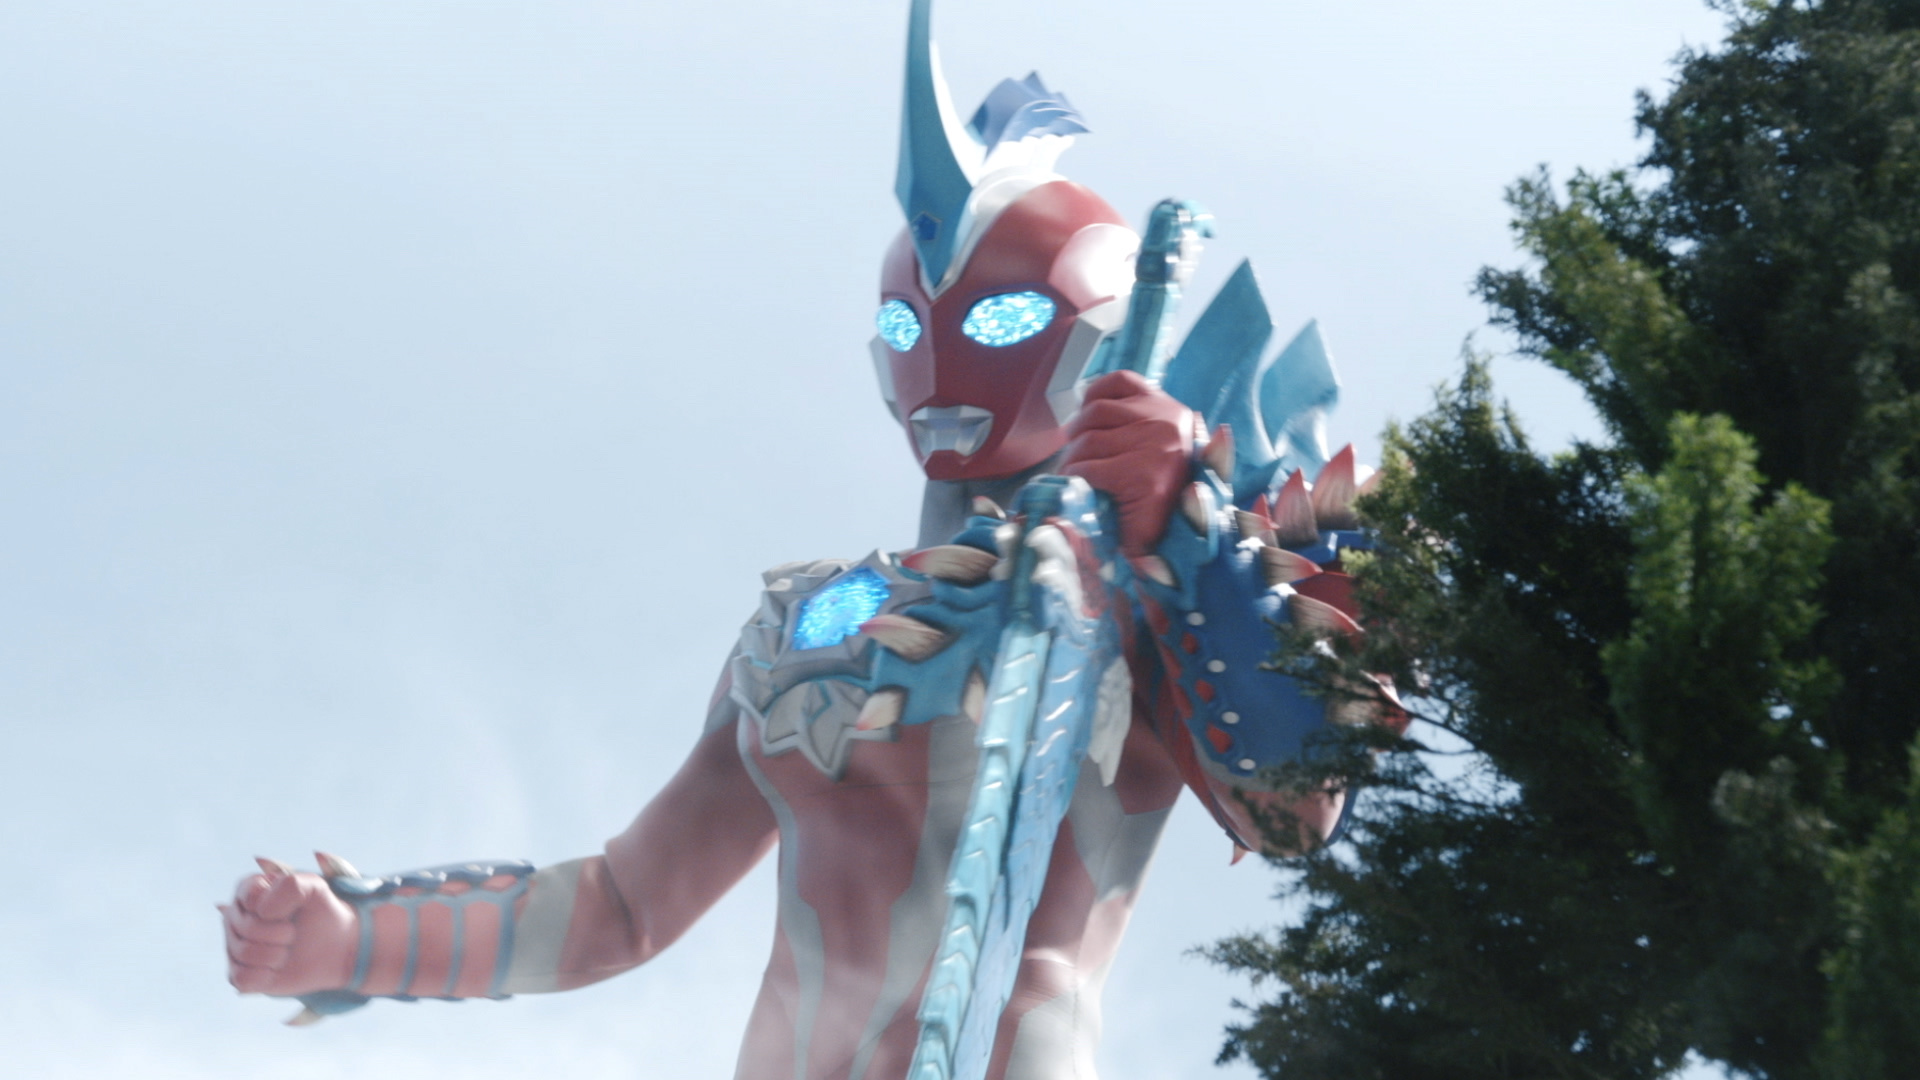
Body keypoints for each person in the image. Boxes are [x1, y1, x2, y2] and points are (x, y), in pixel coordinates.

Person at [220, 3, 1393, 1077]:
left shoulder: (1155, 586)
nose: (948, 357)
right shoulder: (807, 629)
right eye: (910, 322)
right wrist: (355, 941)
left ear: (1090, 330)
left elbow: (1291, 810)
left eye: (1001, 316)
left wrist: (1189, 529)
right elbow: (625, 905)